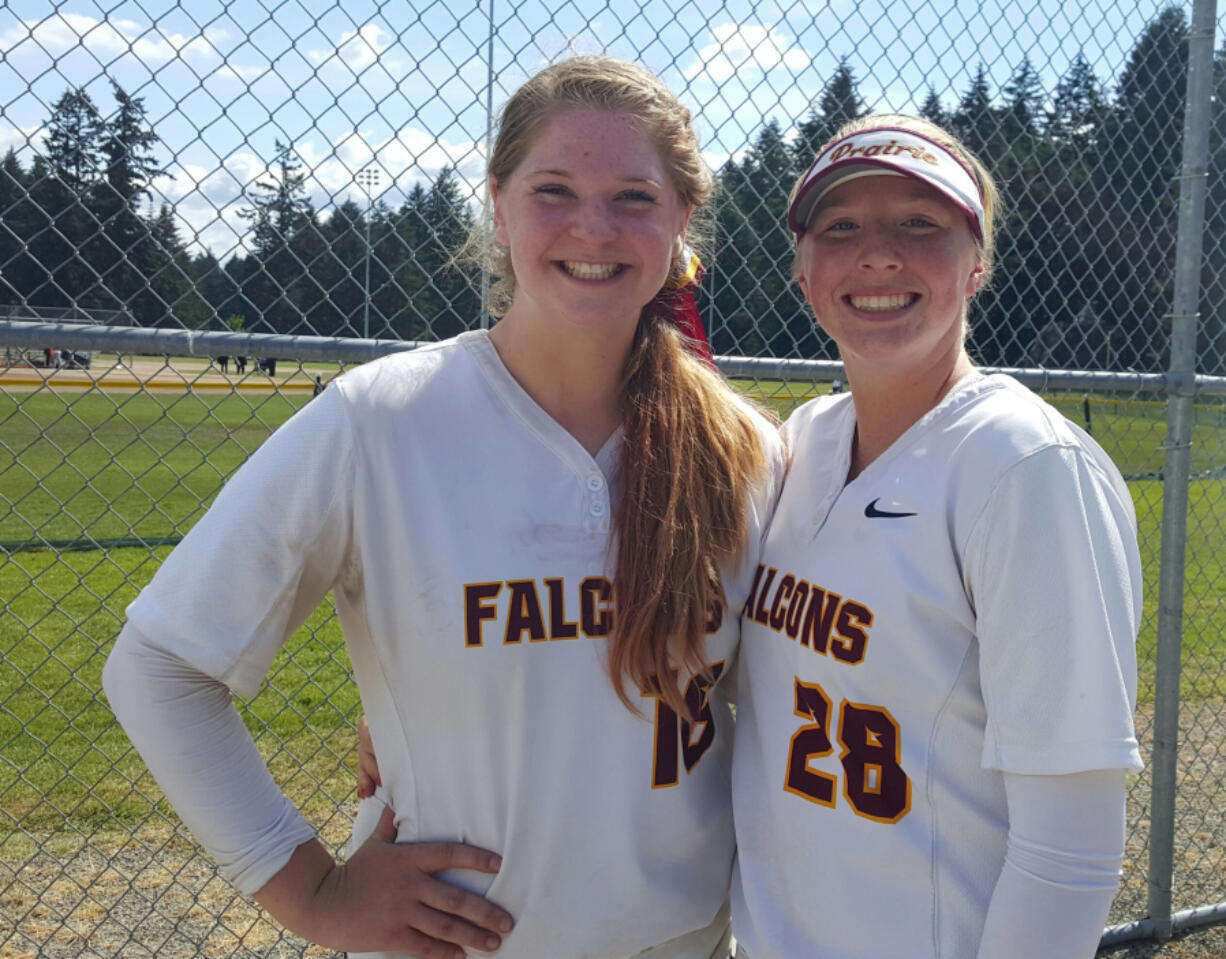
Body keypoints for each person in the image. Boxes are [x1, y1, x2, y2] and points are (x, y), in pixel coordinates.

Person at [103, 55, 784, 959]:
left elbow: (790, 696)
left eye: (633, 196)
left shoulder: (746, 450)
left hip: (687, 942)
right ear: (498, 206)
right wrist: (311, 891)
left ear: (681, 221)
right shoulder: (380, 420)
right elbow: (158, 666)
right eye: (553, 190)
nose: (593, 226)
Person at [728, 115, 1142, 959]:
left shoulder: (1025, 466)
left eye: (922, 223)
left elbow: (1073, 842)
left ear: (977, 262)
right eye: (841, 227)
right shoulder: (800, 442)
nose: (879, 254)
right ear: (804, 275)